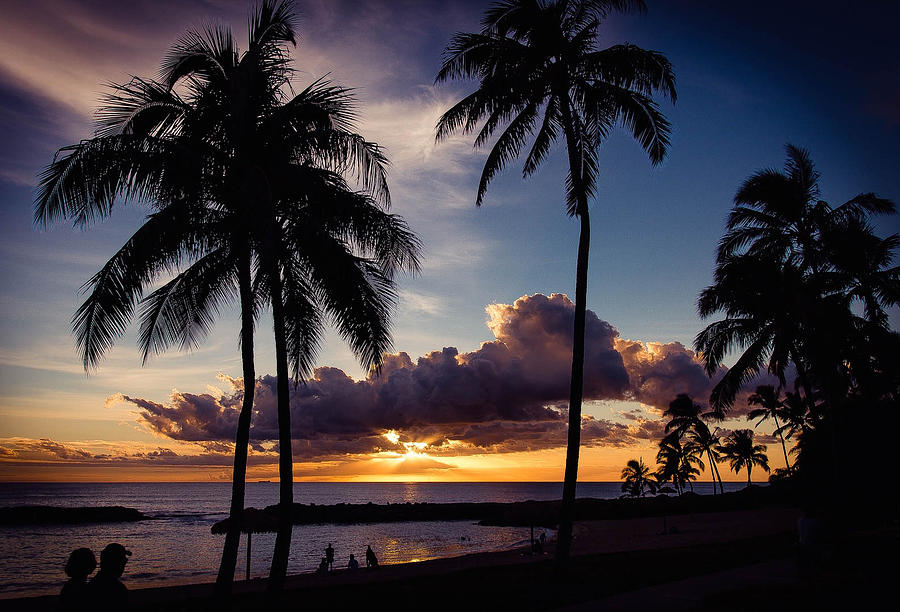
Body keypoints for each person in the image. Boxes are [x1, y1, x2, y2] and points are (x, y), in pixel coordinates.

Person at [88, 543, 131, 610]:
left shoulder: (93, 583)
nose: (124, 564)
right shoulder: (117, 589)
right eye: (123, 561)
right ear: (117, 563)